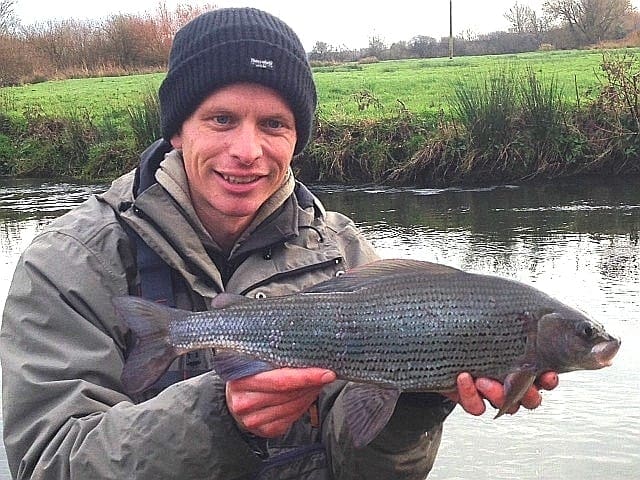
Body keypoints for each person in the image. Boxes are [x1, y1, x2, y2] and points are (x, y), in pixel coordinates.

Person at [0, 7, 558, 480]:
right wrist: (222, 412)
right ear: (176, 129)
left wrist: (415, 399)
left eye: (274, 124)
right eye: (220, 119)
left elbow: (358, 463)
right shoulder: (69, 263)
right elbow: (47, 462)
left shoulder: (343, 254)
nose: (247, 150)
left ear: (297, 136)